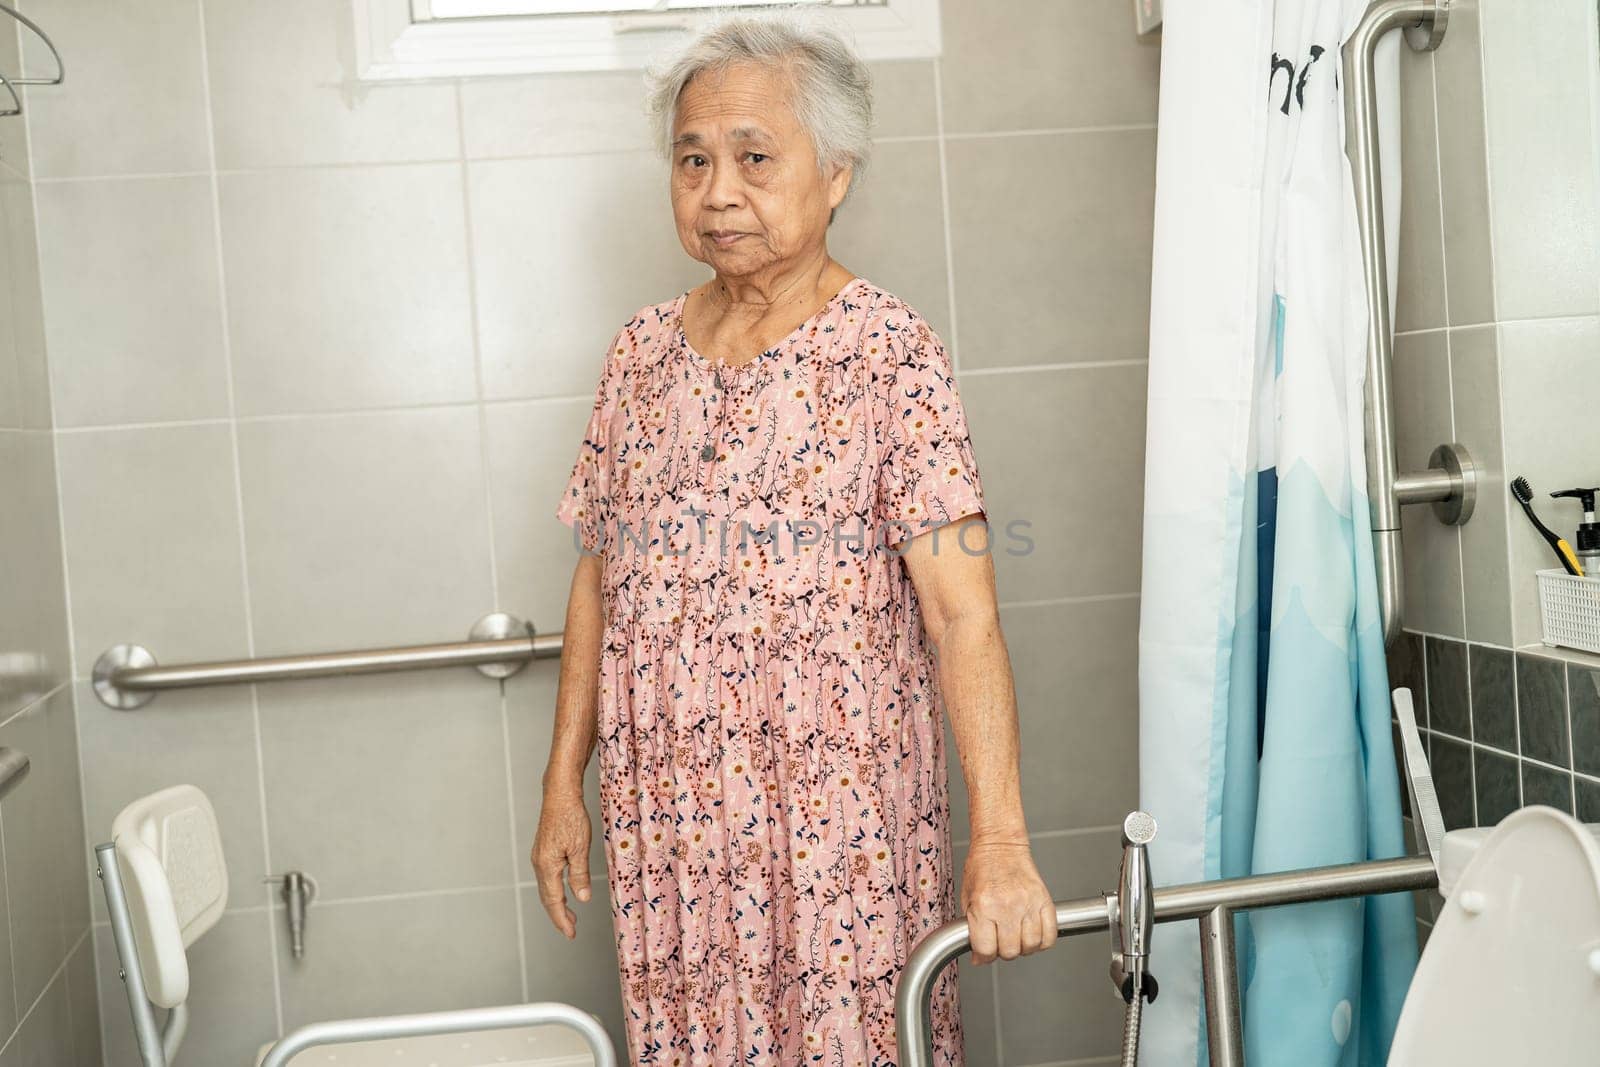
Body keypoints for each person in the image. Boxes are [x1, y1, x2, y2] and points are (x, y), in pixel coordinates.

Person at [533, 13, 1053, 1065]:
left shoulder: (889, 351)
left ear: (836, 174)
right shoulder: (638, 354)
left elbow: (962, 616)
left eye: (754, 158)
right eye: (692, 159)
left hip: (838, 829)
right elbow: (600, 578)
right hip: (670, 826)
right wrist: (562, 787)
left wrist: (999, 838)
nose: (718, 190)